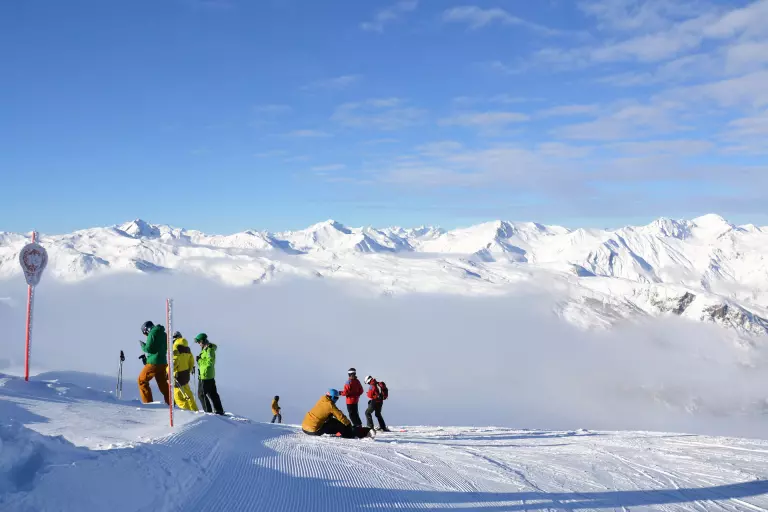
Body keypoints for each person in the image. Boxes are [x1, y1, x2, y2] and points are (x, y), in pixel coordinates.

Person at [138, 321, 171, 405]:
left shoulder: (152, 333)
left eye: (145, 333)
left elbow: (149, 349)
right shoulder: (164, 334)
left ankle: (148, 403)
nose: (146, 335)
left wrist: (143, 346)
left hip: (154, 363)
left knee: (141, 381)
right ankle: (170, 403)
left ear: (146, 329)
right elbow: (158, 348)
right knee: (163, 385)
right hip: (163, 362)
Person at [194, 333, 225, 415]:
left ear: (202, 341)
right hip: (208, 374)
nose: (198, 344)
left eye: (199, 342)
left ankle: (208, 412)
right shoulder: (206, 349)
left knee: (201, 394)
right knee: (212, 393)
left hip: (205, 375)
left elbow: (209, 362)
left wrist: (199, 360)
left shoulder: (209, 350)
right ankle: (219, 410)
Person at [171, 331, 198, 411]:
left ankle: (187, 413)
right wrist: (188, 371)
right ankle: (194, 410)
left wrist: (169, 371)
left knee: (179, 397)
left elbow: (174, 362)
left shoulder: (175, 347)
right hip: (185, 375)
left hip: (177, 375)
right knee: (188, 394)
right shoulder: (187, 349)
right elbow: (191, 361)